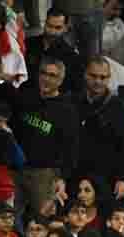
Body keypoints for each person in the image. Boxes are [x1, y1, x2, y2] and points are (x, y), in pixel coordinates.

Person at [12, 57, 79, 220]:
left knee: (44, 221)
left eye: (52, 75)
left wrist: (63, 177)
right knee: (9, 217)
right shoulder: (26, 98)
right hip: (16, 169)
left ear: (61, 80)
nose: (46, 79)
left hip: (45, 174)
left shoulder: (67, 110)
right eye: (43, 73)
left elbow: (71, 147)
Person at [77, 57, 124, 202]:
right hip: (76, 175)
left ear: (109, 78)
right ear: (85, 75)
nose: (98, 81)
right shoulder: (74, 101)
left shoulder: (119, 108)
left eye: (103, 77)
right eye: (93, 76)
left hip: (107, 179)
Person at [24, 9, 82, 93]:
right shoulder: (28, 44)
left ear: (65, 28)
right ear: (44, 24)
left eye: (58, 28)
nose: (52, 31)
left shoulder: (71, 56)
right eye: (49, 26)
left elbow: (74, 87)